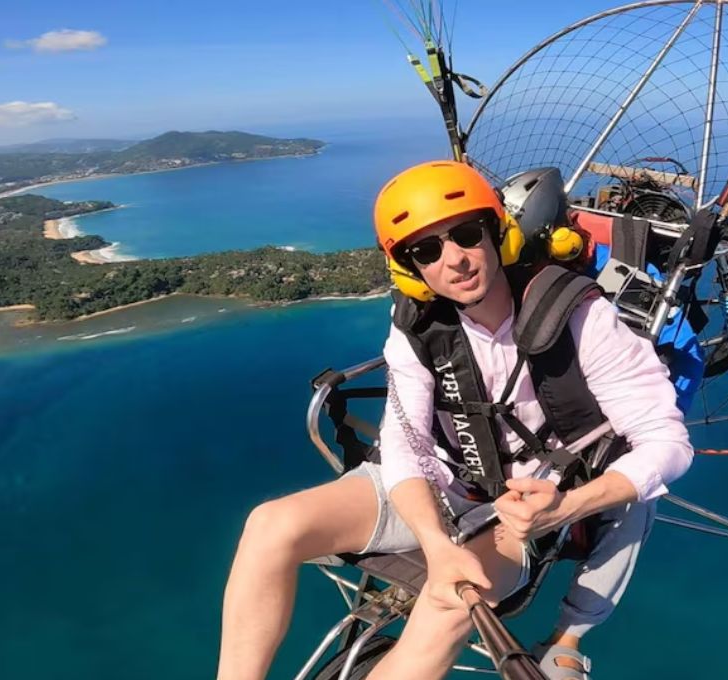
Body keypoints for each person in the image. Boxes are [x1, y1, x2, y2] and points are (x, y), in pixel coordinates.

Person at [216, 160, 692, 680]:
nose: (456, 261)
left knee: (447, 604)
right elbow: (404, 443)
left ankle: (565, 631)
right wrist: (436, 544)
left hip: (513, 515)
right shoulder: (418, 329)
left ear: (497, 235)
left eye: (466, 234)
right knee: (270, 525)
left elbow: (666, 441)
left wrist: (567, 507)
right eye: (427, 250)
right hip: (436, 486)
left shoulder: (581, 318)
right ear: (410, 268)